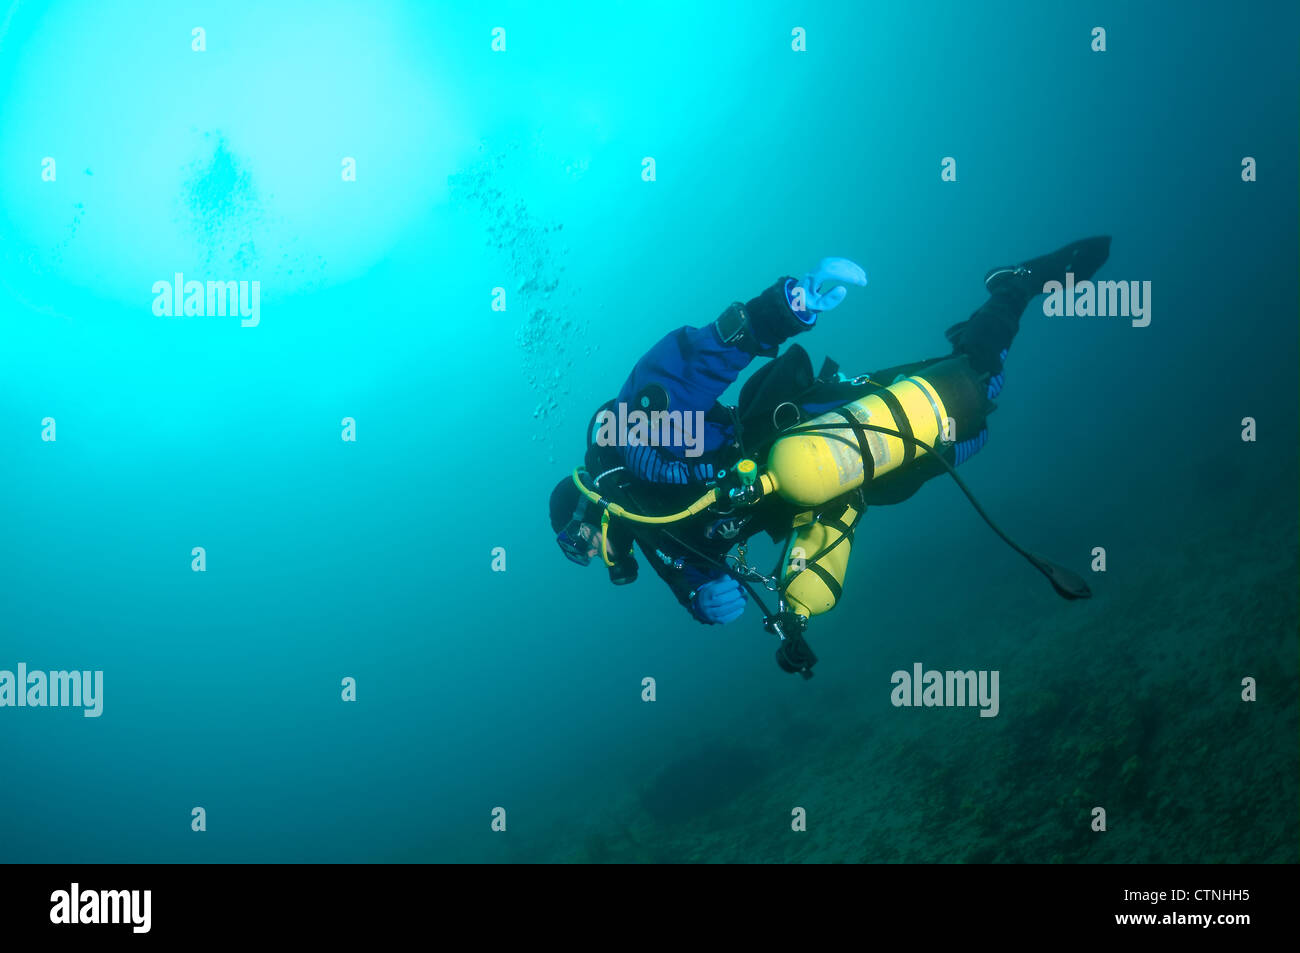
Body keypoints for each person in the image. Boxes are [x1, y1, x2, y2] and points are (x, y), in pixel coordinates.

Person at [548, 237, 1110, 669]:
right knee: (970, 429)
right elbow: (689, 565)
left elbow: (686, 367)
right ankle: (977, 339)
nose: (588, 554)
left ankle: (1013, 287)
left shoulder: (632, 439)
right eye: (578, 556)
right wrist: (700, 600)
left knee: (978, 385)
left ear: (583, 505)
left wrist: (786, 306)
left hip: (802, 428)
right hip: (828, 488)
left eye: (575, 542)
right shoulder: (653, 532)